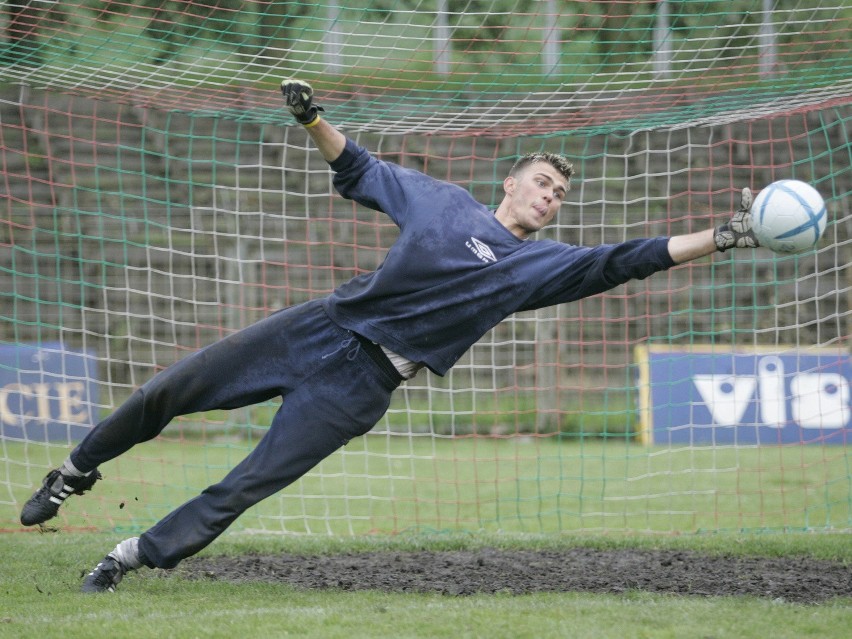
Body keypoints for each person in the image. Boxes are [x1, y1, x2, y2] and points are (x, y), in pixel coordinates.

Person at [20, 80, 759, 592]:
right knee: (169, 391)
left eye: (560, 194)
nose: (551, 196)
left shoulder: (545, 266)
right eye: (542, 182)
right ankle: (74, 471)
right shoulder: (442, 203)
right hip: (320, 327)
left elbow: (626, 261)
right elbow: (359, 167)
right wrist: (311, 116)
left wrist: (720, 237)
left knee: (247, 482)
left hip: (363, 386)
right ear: (511, 182)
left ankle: (127, 556)